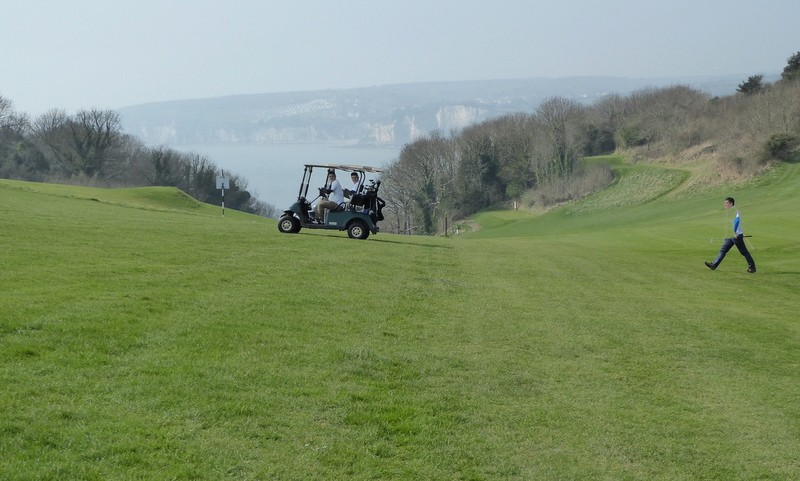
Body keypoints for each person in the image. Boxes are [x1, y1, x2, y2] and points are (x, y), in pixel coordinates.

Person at [705, 197, 756, 273]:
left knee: (744, 252)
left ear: (731, 203)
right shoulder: (730, 211)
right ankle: (714, 265)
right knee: (723, 250)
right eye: (724, 203)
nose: (724, 205)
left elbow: (737, 221)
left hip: (736, 236)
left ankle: (752, 267)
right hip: (730, 237)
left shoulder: (734, 210)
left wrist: (735, 232)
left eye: (726, 203)